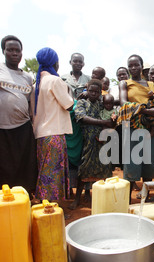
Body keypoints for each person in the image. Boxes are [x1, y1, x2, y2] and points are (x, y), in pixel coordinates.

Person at [0, 35, 37, 196]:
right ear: (3, 51)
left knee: (23, 167)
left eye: (17, 50)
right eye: (10, 50)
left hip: (22, 129)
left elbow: (29, 102)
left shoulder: (27, 77)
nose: (14, 53)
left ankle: (22, 199)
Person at [118, 54, 154, 202]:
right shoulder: (125, 83)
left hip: (150, 126)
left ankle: (146, 194)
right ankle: (128, 197)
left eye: (136, 65)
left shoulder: (151, 85)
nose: (133, 68)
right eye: (130, 65)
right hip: (132, 126)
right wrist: (146, 111)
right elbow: (123, 103)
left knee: (150, 160)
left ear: (141, 65)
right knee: (132, 160)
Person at [32, 47, 74, 202]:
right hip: (54, 134)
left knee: (45, 172)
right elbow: (69, 105)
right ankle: (52, 209)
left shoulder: (37, 83)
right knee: (53, 175)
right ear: (54, 63)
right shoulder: (55, 81)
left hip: (41, 135)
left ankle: (45, 207)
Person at [69, 79, 114, 210]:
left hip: (101, 141)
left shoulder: (102, 104)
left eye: (96, 92)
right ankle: (77, 198)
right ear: (86, 91)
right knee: (84, 169)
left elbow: (111, 111)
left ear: (100, 93)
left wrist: (110, 120)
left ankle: (106, 199)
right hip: (87, 141)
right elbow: (82, 117)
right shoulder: (82, 102)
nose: (93, 94)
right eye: (91, 91)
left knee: (104, 169)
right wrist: (103, 122)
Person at [61, 53, 90, 202]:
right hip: (67, 119)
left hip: (83, 121)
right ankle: (68, 189)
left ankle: (86, 190)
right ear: (70, 62)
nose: (78, 63)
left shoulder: (88, 79)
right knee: (67, 154)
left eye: (80, 61)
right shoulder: (62, 78)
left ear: (83, 64)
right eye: (75, 61)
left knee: (83, 154)